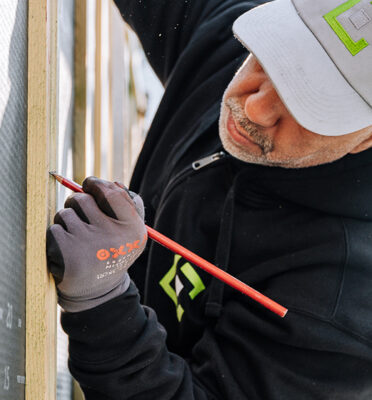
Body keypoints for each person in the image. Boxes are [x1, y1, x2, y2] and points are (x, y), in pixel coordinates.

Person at [46, 0, 372, 398]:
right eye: (270, 60)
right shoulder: (228, 42)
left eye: (308, 106)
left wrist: (103, 302)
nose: (254, 106)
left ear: (366, 138)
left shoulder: (345, 300)